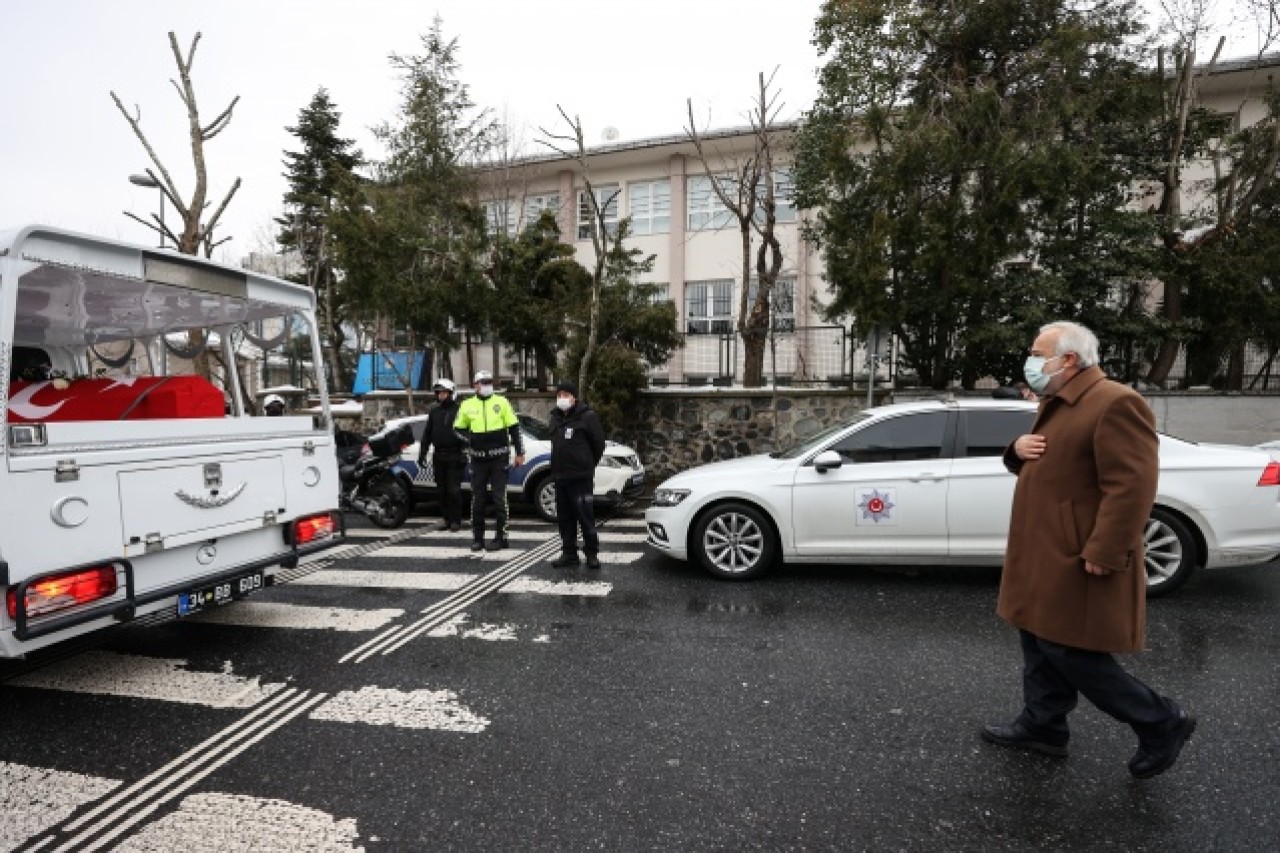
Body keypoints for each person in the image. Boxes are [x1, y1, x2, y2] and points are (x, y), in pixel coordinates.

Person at [982, 320, 1195, 780]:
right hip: (1044, 551)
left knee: (1070, 650)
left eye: (1038, 354)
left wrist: (1106, 549)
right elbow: (1050, 461)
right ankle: (1043, 726)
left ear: (1069, 360)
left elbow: (1132, 486)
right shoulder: (1060, 400)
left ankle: (1160, 721)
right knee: (1037, 639)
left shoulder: (1114, 402)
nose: (1031, 363)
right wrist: (1015, 450)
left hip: (1075, 553)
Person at [454, 370, 525, 552]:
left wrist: (519, 452)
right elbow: (457, 429)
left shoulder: (501, 402)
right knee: (477, 500)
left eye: (489, 382)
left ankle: (502, 538)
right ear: (475, 385)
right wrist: (470, 440)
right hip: (478, 460)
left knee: (499, 499)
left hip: (499, 459)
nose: (486, 385)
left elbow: (514, 428)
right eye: (482, 382)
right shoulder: (466, 405)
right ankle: (478, 538)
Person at [547, 381, 606, 569]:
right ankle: (569, 553)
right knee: (565, 519)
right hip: (560, 477)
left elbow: (599, 444)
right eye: (559, 395)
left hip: (580, 478)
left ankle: (591, 553)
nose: (561, 398)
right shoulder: (555, 418)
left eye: (566, 395)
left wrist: (587, 465)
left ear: (574, 397)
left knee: (585, 517)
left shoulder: (587, 417)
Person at [417, 378, 466, 532]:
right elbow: (427, 434)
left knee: (454, 490)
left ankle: (456, 520)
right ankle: (446, 519)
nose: (440, 396)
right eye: (438, 393)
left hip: (455, 455)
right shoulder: (434, 412)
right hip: (438, 456)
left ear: (451, 393)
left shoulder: (460, 411)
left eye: (444, 393)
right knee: (441, 490)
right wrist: (422, 454)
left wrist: (465, 451)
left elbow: (467, 433)